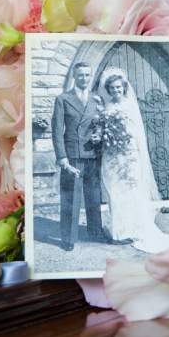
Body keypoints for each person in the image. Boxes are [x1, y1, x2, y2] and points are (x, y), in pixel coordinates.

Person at [98, 68, 169, 254]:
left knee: (130, 190)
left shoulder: (130, 105)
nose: (115, 90)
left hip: (128, 153)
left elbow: (136, 132)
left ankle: (134, 229)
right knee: (115, 190)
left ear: (124, 88)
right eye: (112, 88)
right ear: (108, 89)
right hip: (111, 154)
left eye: (118, 87)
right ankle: (119, 232)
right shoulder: (107, 106)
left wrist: (124, 140)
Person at [51, 62, 105, 251]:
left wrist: (100, 136)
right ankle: (68, 238)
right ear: (74, 76)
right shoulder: (63, 99)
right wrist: (62, 157)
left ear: (91, 76)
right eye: (80, 75)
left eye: (87, 75)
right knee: (71, 198)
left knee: (93, 195)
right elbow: (57, 130)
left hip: (92, 153)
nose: (84, 78)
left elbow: (101, 124)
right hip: (72, 155)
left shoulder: (96, 99)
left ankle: (95, 233)